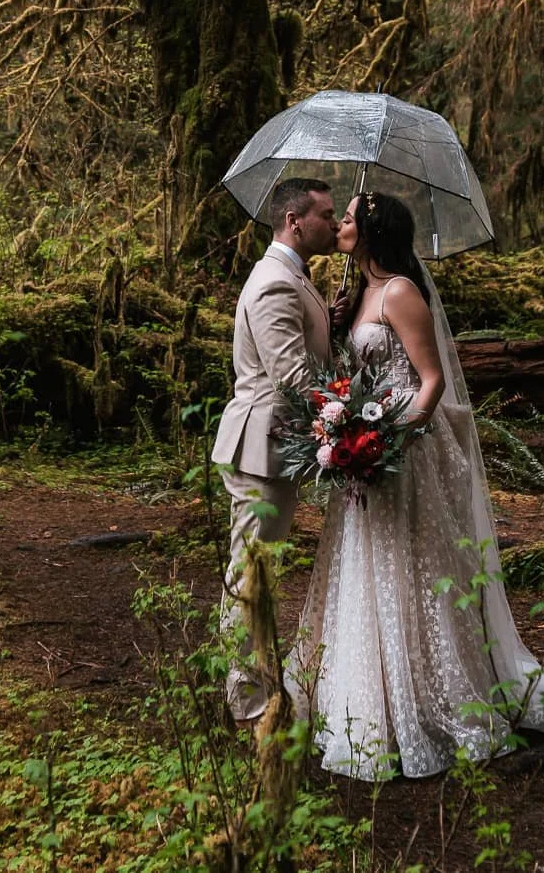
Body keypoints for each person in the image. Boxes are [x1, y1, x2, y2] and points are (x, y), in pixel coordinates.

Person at [287, 190, 544, 779]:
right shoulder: (359, 292)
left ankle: (433, 696)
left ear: (372, 229)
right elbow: (358, 374)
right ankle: (370, 697)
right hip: (365, 447)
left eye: (347, 217)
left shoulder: (400, 291)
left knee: (413, 564)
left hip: (404, 447)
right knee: (369, 564)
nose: (339, 224)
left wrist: (394, 437)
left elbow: (431, 379)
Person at [211, 175, 337, 721]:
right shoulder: (274, 282)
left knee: (260, 565)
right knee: (251, 569)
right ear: (294, 221)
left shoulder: (294, 277)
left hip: (274, 445)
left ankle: (253, 683)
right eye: (326, 215)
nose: (334, 224)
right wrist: (342, 411)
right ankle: (246, 699)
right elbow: (290, 375)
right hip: (259, 445)